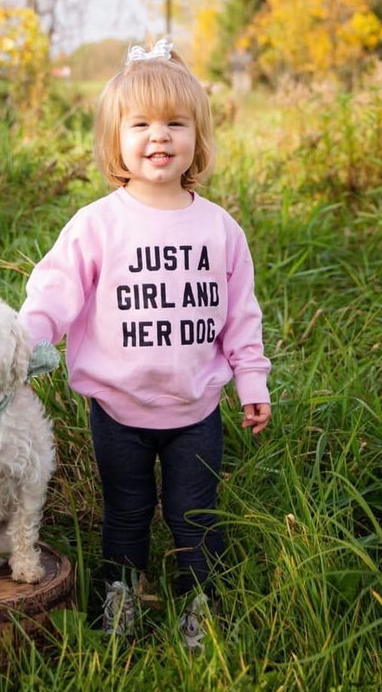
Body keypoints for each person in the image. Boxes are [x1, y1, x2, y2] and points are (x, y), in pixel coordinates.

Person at [18, 39, 271, 650]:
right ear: (116, 141)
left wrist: (251, 380)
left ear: (196, 138)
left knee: (194, 515)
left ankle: (199, 603)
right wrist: (25, 340)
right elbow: (56, 289)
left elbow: (240, 313)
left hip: (196, 411)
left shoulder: (219, 228)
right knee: (126, 512)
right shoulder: (98, 224)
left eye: (175, 124)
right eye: (141, 125)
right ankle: (121, 595)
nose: (159, 138)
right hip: (117, 410)